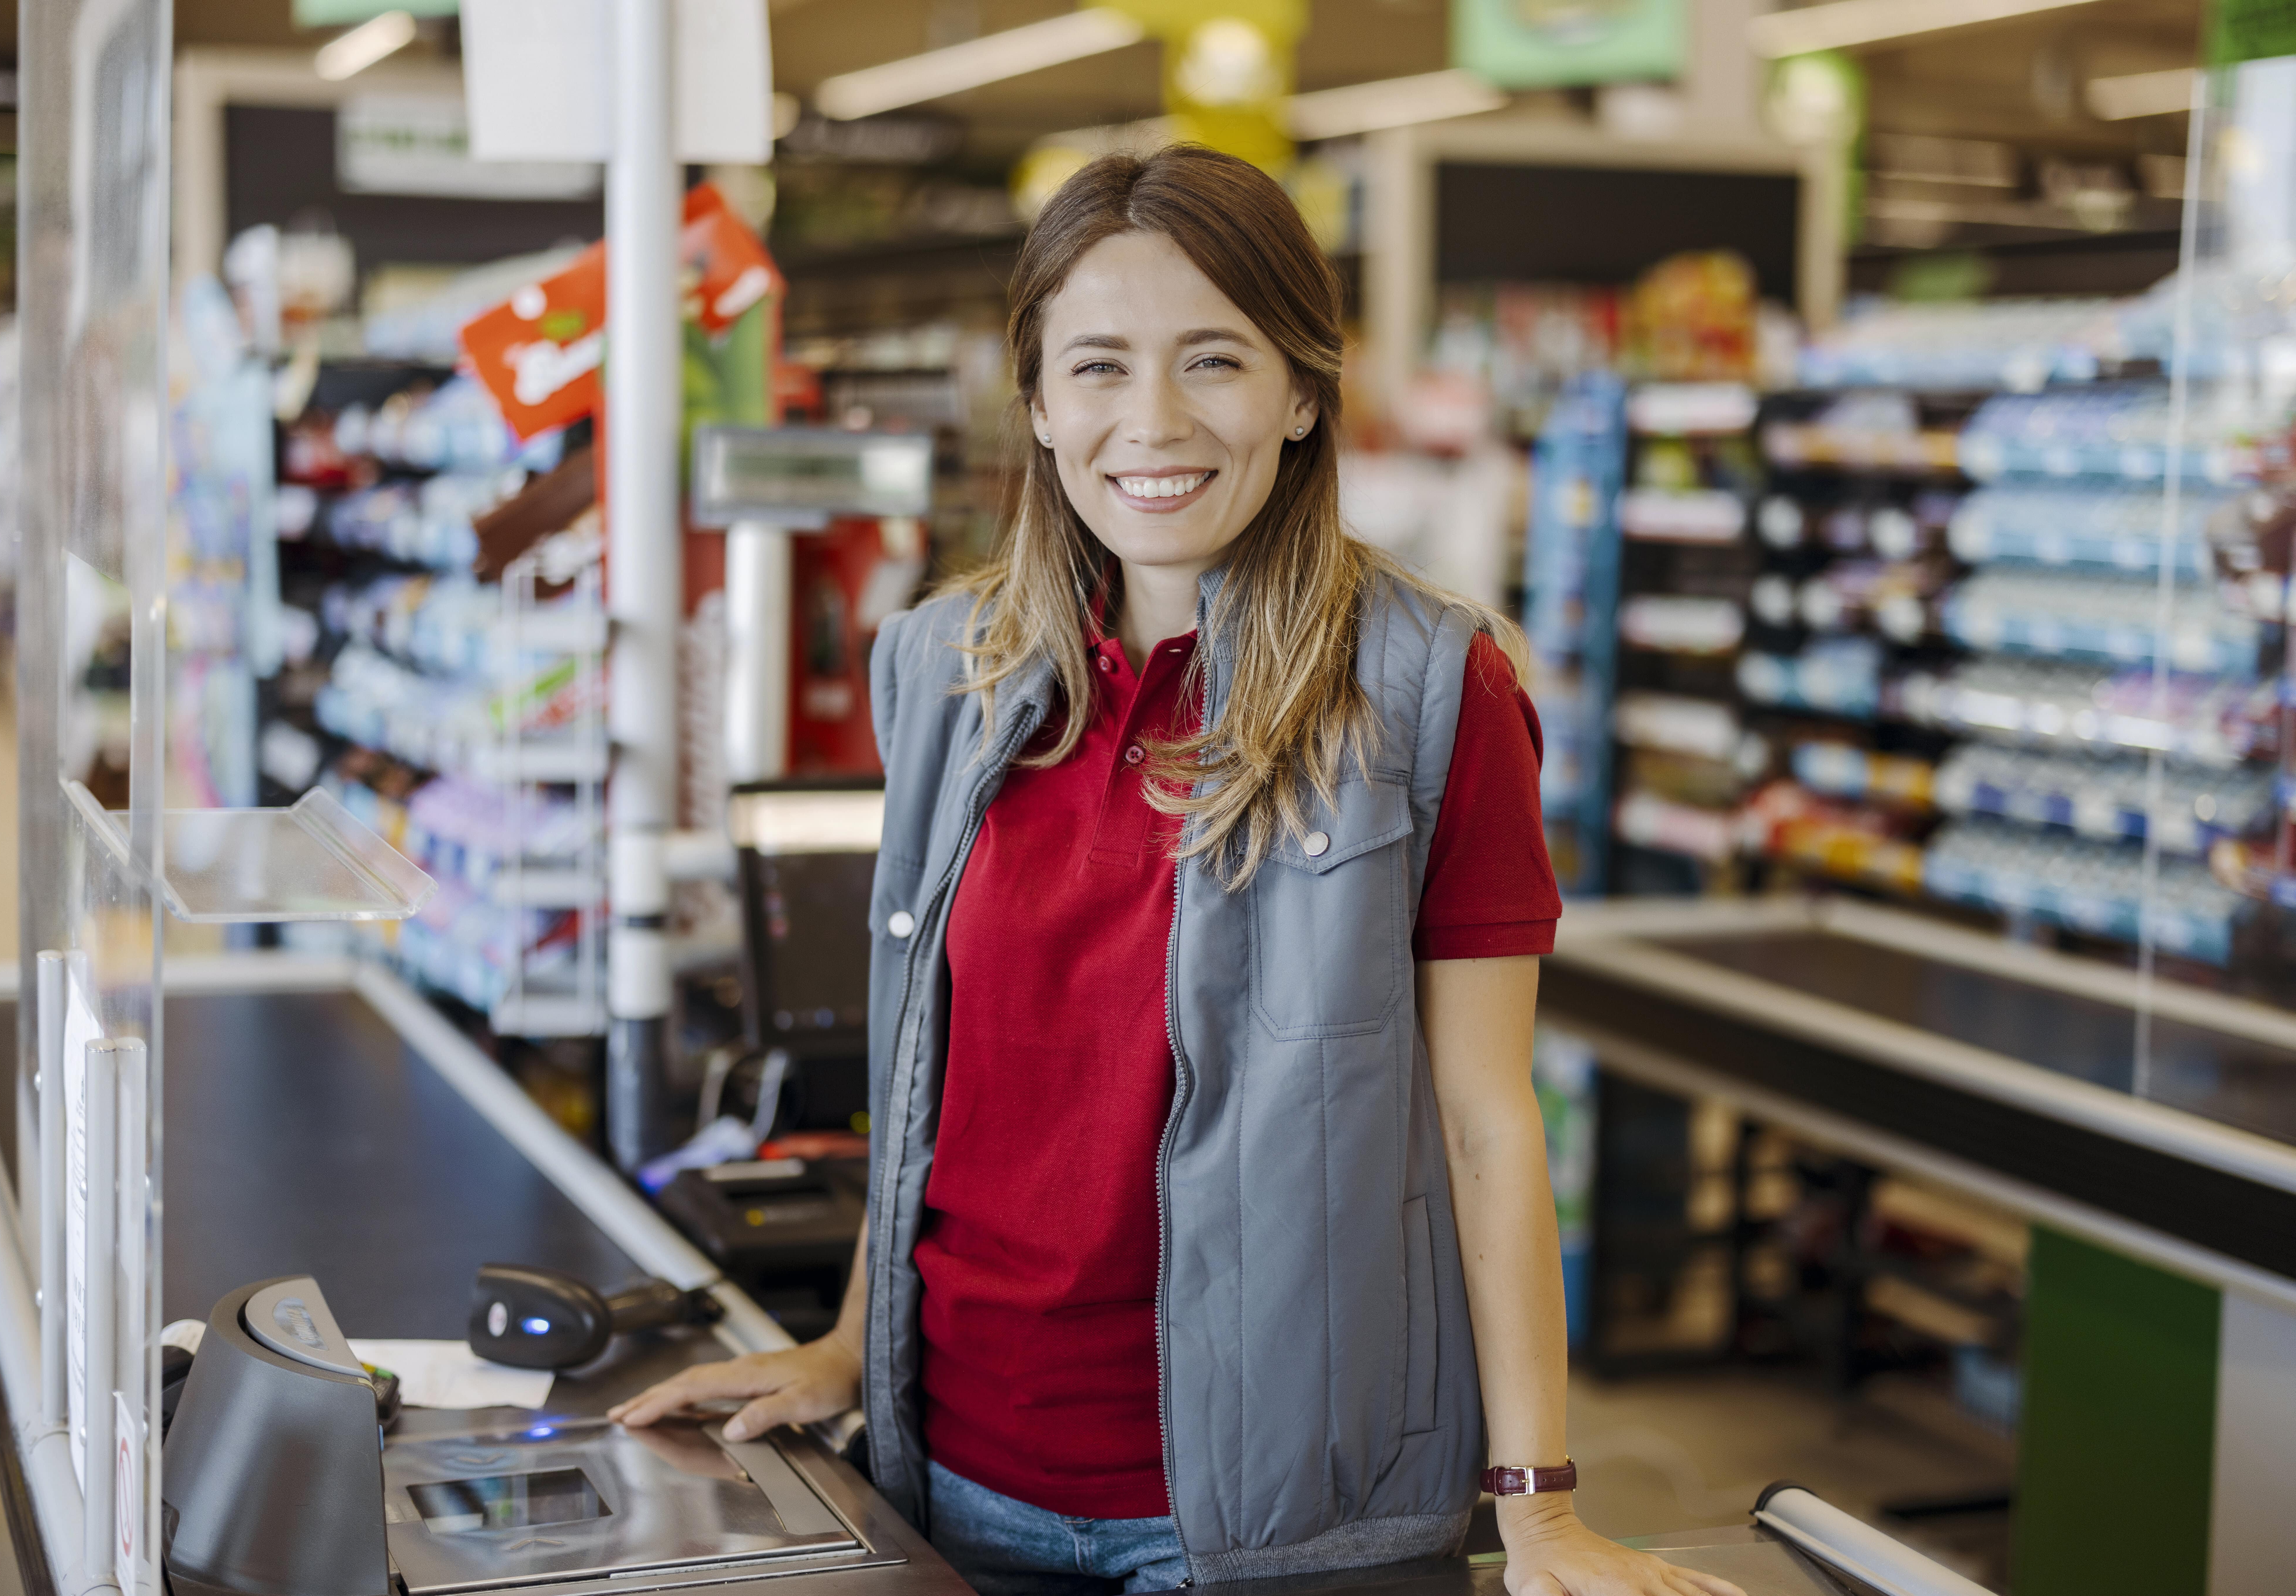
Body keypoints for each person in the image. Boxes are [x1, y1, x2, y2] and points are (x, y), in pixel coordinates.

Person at [613, 145, 1742, 1596]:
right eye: (1096, 367)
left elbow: (1482, 1119)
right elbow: (925, 1082)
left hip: (1284, 1514)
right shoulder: (941, 676)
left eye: (1213, 358)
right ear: (1034, 401)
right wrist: (848, 1345)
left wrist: (1536, 1503)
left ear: (1301, 391)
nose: (1150, 420)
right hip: (950, 1471)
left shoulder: (1428, 692)